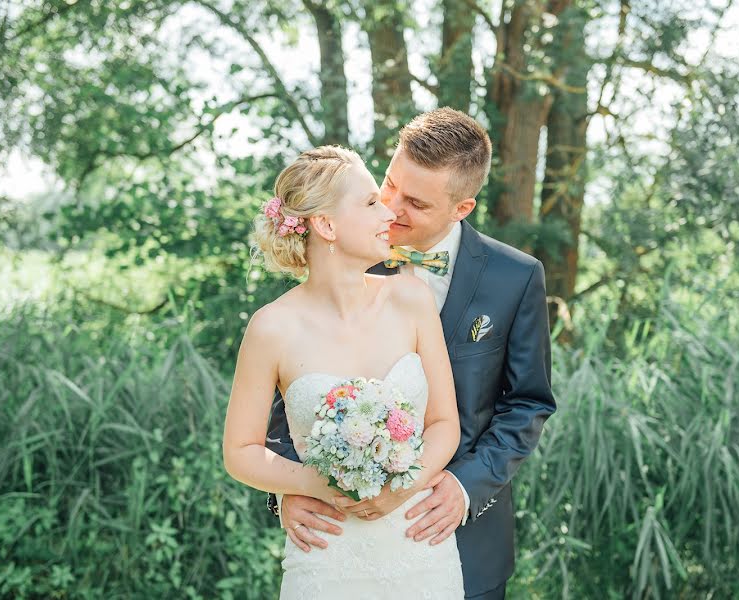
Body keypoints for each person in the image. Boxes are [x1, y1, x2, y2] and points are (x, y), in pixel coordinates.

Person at [267, 108, 556, 599]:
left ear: (461, 209)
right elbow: (288, 395)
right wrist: (287, 490)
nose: (391, 206)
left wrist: (466, 487)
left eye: (415, 202)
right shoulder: (341, 257)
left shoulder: (516, 277)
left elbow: (528, 402)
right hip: (340, 535)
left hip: (463, 539)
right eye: (389, 184)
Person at [222, 145, 466, 598]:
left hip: (420, 549)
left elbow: (444, 424)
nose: (388, 213)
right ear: (327, 224)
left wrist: (399, 488)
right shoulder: (270, 327)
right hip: (327, 554)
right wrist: (310, 483)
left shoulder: (411, 299)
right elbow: (240, 451)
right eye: (371, 202)